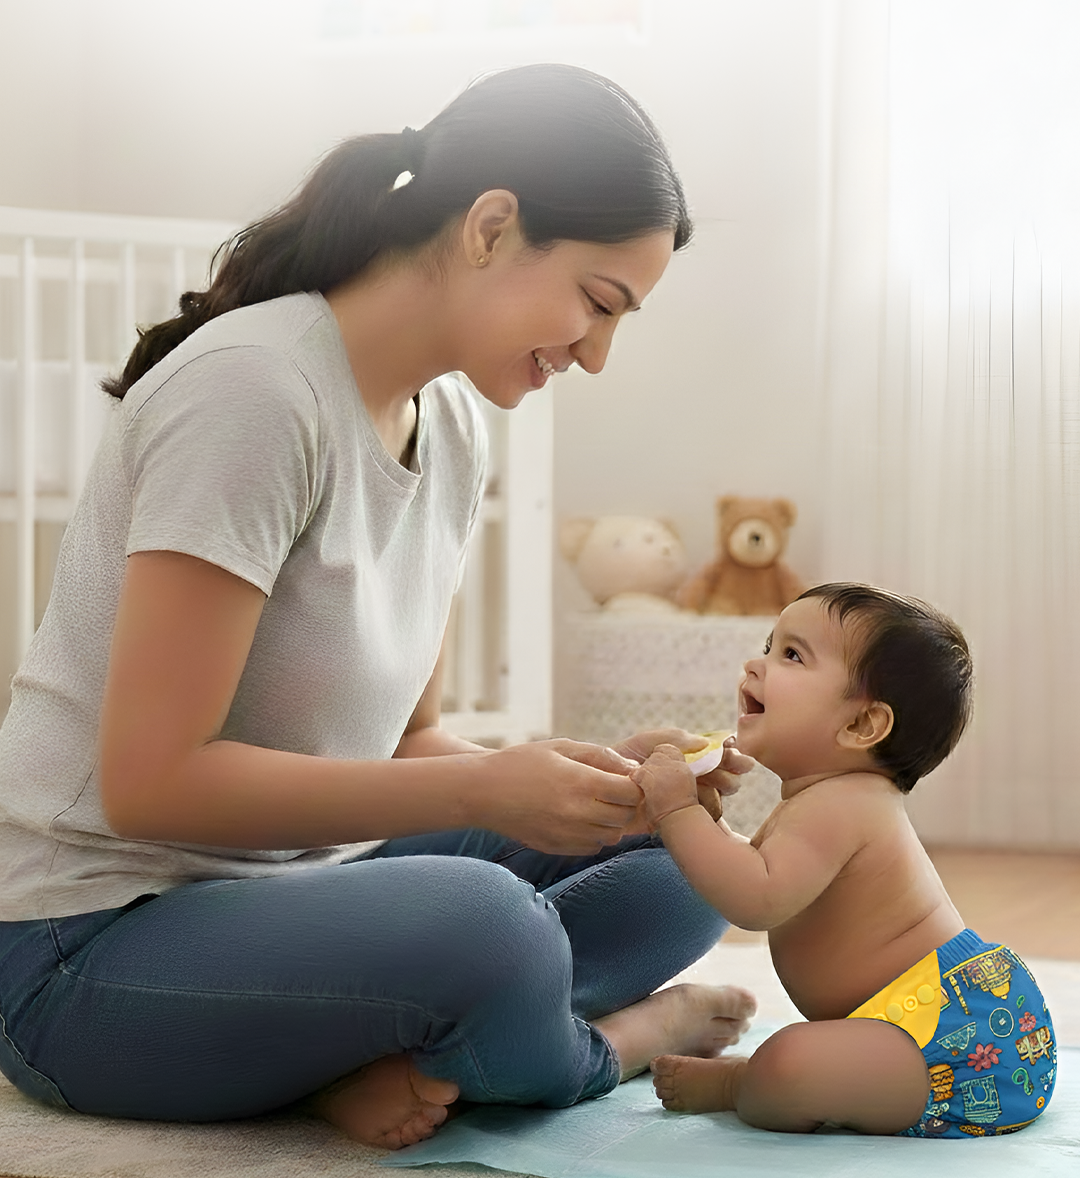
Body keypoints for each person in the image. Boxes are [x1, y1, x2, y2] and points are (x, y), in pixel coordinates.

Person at [0, 64, 756, 1150]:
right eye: (598, 304)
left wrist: (587, 785)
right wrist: (487, 790)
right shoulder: (254, 394)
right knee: (492, 930)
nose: (597, 355)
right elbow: (147, 784)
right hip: (85, 944)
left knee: (688, 863)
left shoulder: (452, 426)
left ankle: (379, 1044)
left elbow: (408, 746)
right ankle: (611, 1042)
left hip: (299, 893)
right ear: (491, 226)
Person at [638, 582, 1057, 1138]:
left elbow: (756, 899)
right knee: (798, 1059)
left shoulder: (844, 803)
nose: (755, 664)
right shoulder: (824, 800)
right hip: (917, 1026)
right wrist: (708, 824)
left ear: (862, 726)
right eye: (770, 645)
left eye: (790, 655)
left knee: (788, 1065)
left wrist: (677, 810)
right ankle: (766, 1077)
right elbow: (761, 873)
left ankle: (738, 1084)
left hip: (962, 1039)